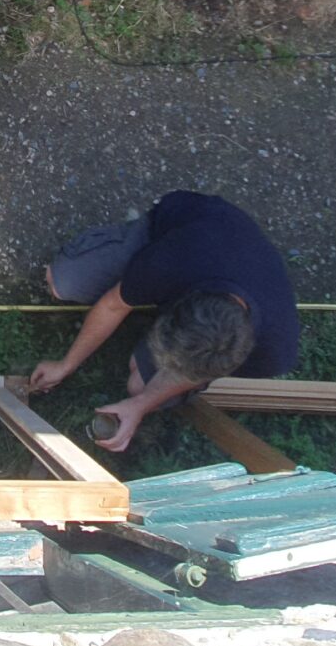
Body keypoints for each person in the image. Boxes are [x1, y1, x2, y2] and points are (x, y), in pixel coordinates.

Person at [26, 191, 300, 451]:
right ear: (176, 304)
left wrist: (141, 405)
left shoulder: (275, 351)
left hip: (225, 269)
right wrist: (66, 365)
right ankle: (127, 254)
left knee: (139, 386)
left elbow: (198, 372)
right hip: (176, 229)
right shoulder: (175, 261)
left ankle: (139, 301)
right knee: (63, 282)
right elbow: (112, 305)